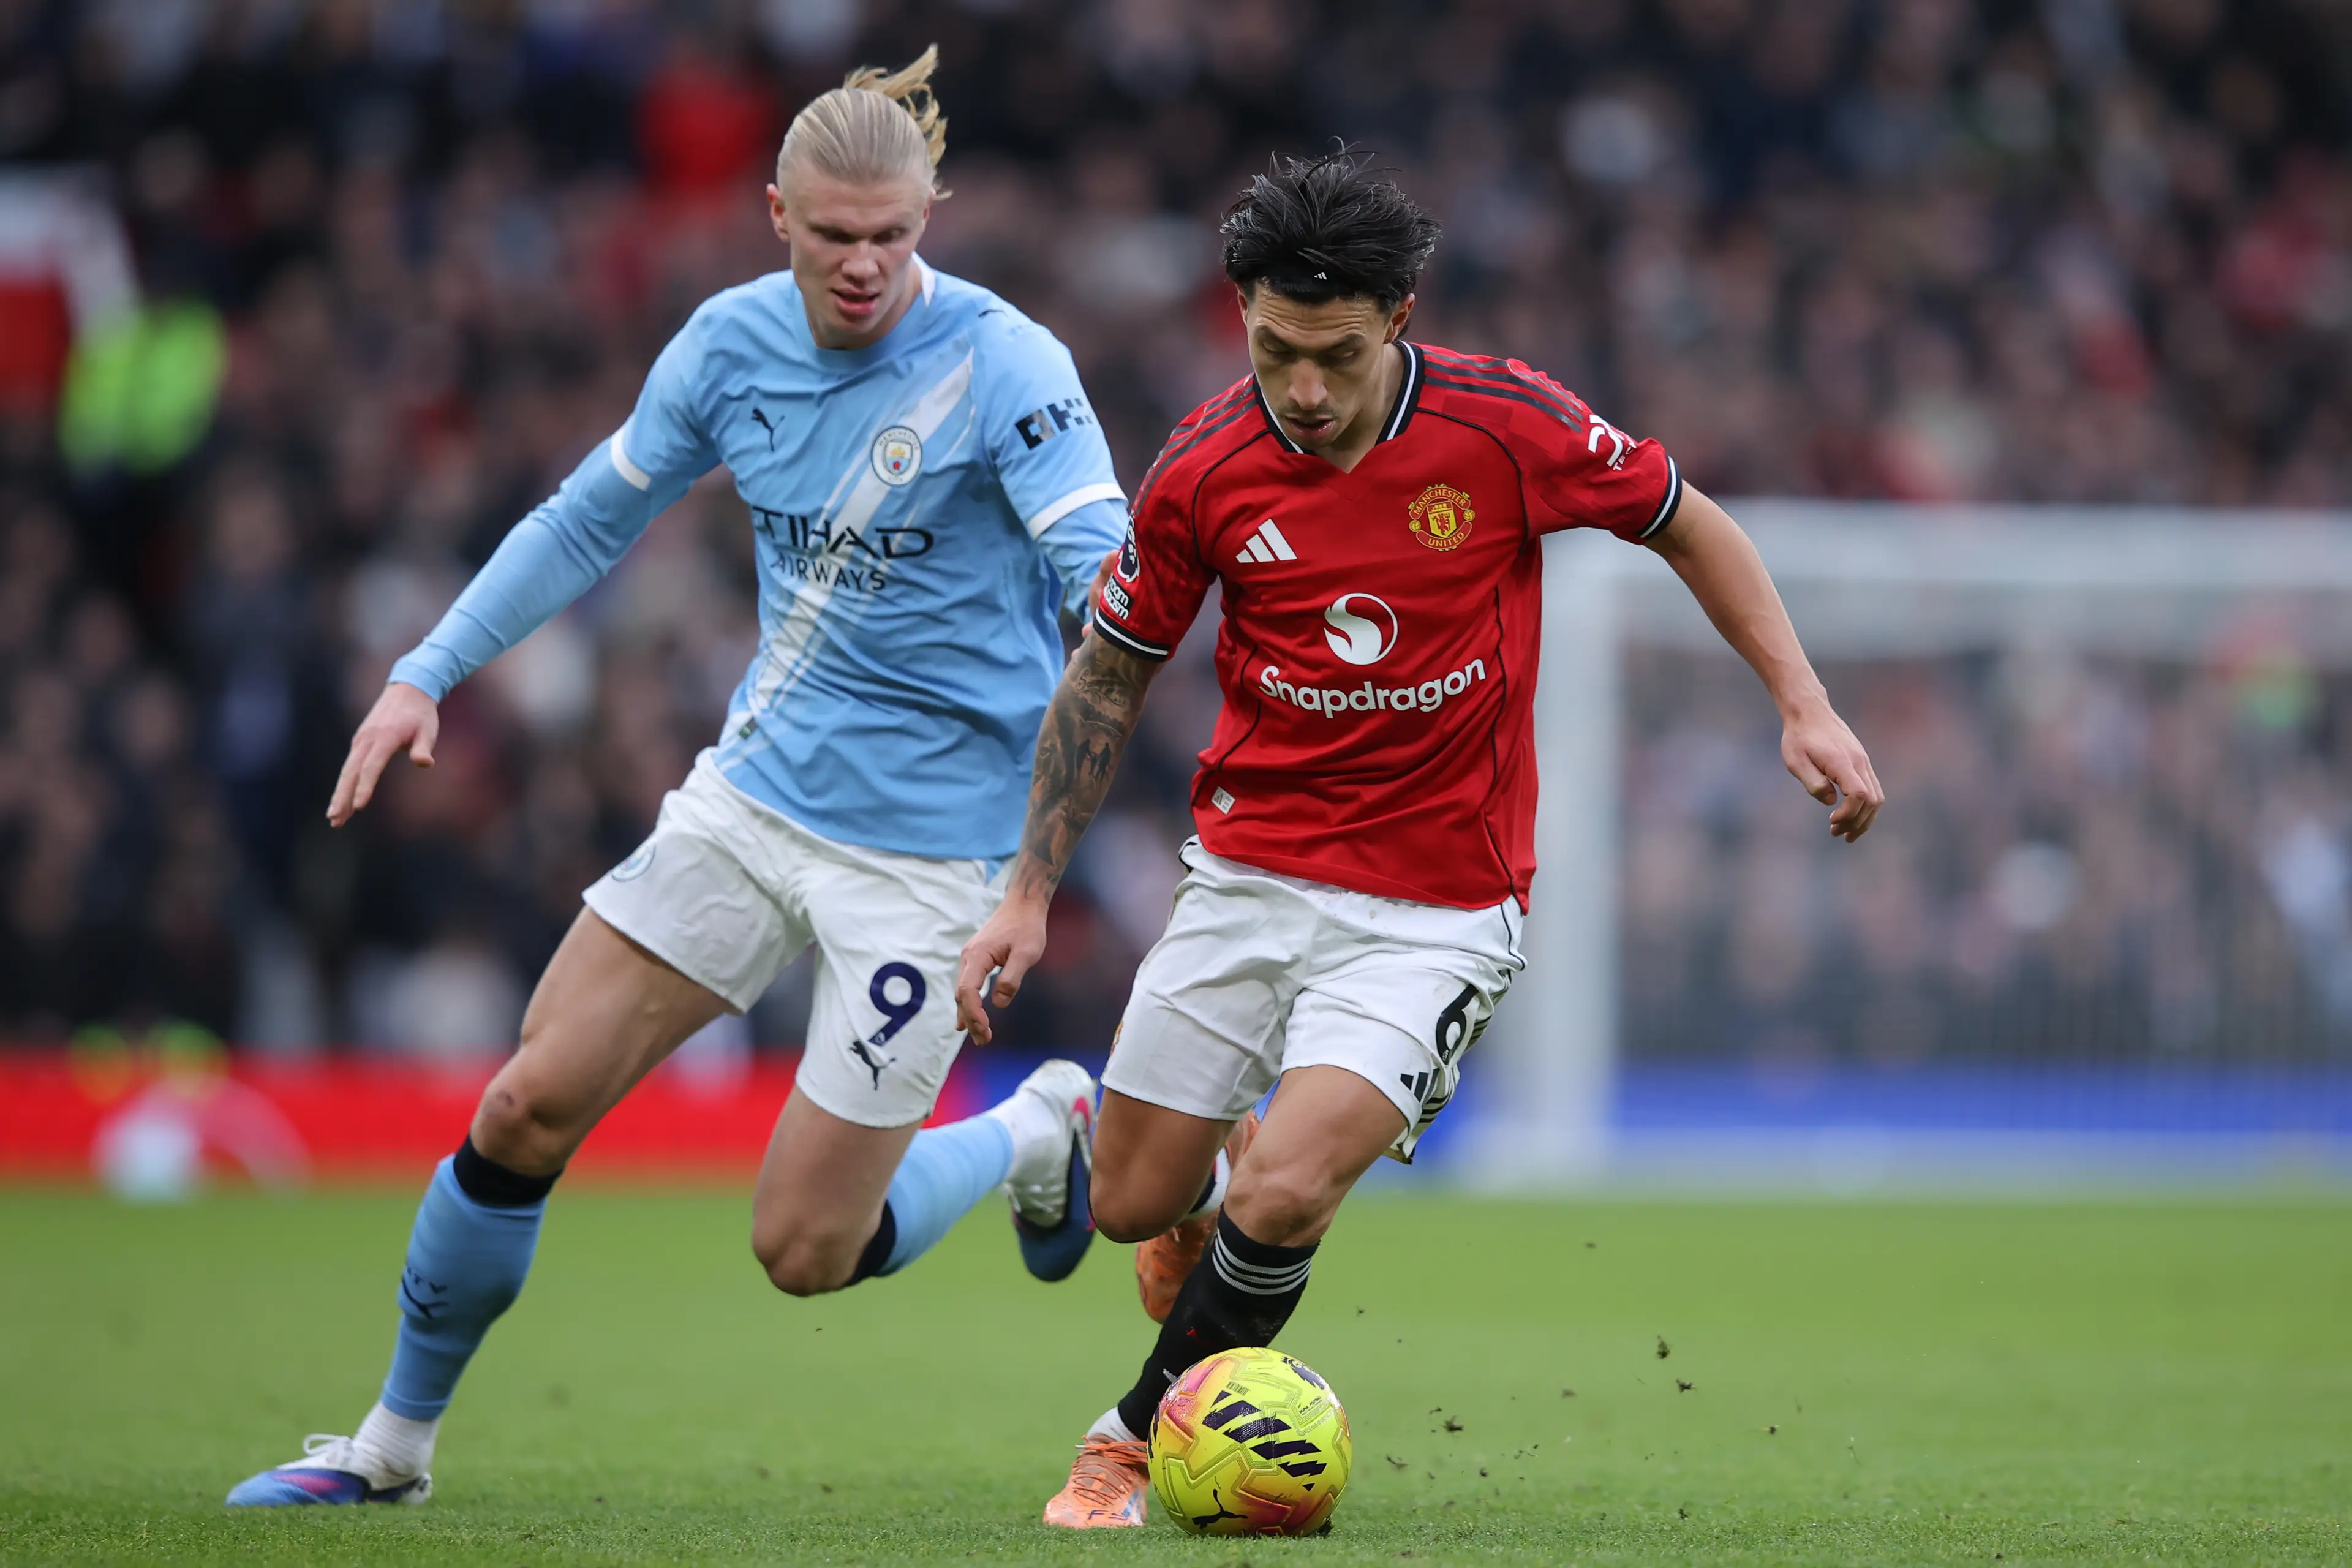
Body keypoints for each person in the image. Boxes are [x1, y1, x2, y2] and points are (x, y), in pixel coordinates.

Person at [227, 49, 1126, 1508]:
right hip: (752, 800)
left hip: (933, 856)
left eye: (892, 235)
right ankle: (391, 1446)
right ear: (775, 214)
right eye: (832, 235)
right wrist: (425, 672)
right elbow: (587, 519)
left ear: (931, 215)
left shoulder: (1009, 365)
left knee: (803, 1248)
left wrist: (1054, 830)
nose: (864, 265)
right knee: (526, 1104)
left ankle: (1039, 1126)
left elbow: (1112, 589)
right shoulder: (727, 345)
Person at [952, 149, 1886, 1529]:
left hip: (1438, 908)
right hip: (1248, 876)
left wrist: (1803, 704)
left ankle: (1128, 1441)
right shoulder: (1204, 464)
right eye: (1275, 350)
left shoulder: (1507, 425)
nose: (1304, 388)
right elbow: (1108, 674)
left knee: (1291, 1189)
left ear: (1399, 316)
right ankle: (1171, 1178)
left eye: (1335, 355)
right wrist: (1026, 893)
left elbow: (1688, 524)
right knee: (1132, 1203)